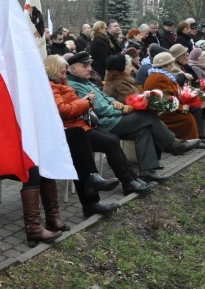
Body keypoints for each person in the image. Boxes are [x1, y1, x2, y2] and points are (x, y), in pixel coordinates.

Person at [67, 52, 199, 182]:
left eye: (90, 65)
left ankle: (147, 171)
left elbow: (104, 96)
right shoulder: (75, 84)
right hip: (105, 123)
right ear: (73, 69)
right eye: (85, 66)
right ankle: (174, 144)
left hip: (112, 119)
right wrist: (122, 110)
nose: (90, 68)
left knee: (143, 130)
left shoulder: (84, 81)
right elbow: (100, 108)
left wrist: (113, 101)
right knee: (145, 117)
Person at [46, 55, 152, 198]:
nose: (89, 68)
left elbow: (101, 97)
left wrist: (110, 102)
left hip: (82, 125)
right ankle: (128, 180)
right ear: (53, 71)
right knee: (123, 133)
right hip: (77, 128)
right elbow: (64, 110)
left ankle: (132, 179)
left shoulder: (67, 83)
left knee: (118, 138)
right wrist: (86, 102)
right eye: (62, 72)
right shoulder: (57, 85)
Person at [143, 52, 199, 141]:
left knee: (195, 108)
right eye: (171, 64)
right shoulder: (159, 78)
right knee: (188, 117)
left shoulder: (161, 75)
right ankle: (189, 140)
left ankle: (196, 137)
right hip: (164, 112)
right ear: (165, 65)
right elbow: (168, 99)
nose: (173, 66)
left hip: (167, 108)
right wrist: (183, 108)